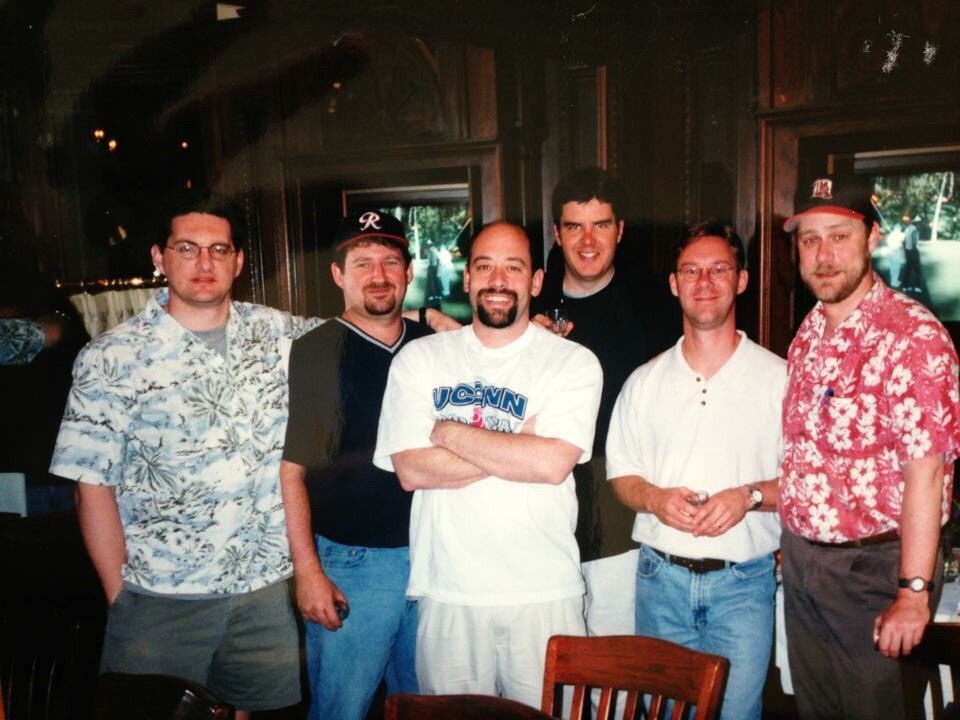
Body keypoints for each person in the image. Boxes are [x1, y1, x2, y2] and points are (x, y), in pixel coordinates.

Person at [49, 192, 318, 718]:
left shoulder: (278, 334)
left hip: (262, 591)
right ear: (159, 257)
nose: (204, 263)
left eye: (219, 250)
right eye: (187, 248)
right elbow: (91, 487)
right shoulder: (111, 357)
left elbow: (360, 333)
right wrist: (120, 596)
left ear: (238, 261)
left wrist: (436, 322)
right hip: (160, 600)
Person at [373, 221, 602, 708]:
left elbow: (552, 464)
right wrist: (520, 439)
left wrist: (445, 430)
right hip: (449, 593)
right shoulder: (419, 359)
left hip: (545, 592)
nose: (498, 280)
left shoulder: (573, 362)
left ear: (536, 282)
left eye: (513, 267)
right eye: (485, 266)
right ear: (467, 278)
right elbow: (411, 470)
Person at [779, 174, 960, 720]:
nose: (823, 255)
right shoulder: (809, 333)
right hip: (804, 566)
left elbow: (927, 473)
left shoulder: (914, 337)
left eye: (839, 236)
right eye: (810, 239)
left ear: (873, 238)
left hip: (873, 573)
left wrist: (912, 593)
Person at [606, 221, 785, 720]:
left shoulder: (781, 378)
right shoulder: (643, 382)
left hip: (743, 587)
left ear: (741, 280)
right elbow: (622, 475)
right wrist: (655, 498)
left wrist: (748, 496)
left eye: (719, 269)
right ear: (673, 283)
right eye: (691, 271)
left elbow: (807, 482)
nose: (704, 282)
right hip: (659, 584)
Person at [280, 211, 429, 720]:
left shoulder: (434, 345)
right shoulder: (317, 350)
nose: (379, 275)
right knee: (340, 709)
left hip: (433, 556)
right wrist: (308, 572)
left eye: (390, 262)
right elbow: (292, 469)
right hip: (354, 564)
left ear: (409, 272)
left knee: (423, 707)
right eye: (362, 263)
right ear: (338, 275)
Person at [530, 167, 651, 642]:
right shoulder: (528, 306)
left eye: (600, 225)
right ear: (557, 233)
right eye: (574, 226)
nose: (587, 240)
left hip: (618, 515)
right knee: (545, 655)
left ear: (619, 230)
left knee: (614, 653)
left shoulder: (653, 308)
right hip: (542, 511)